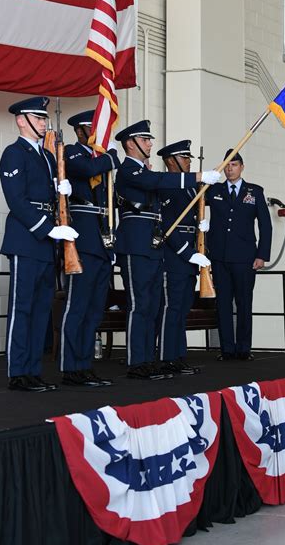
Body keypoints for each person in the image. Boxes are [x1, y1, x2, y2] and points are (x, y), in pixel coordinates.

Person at [114, 120, 221, 380]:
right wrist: (197, 177)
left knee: (151, 306)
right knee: (139, 306)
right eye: (145, 139)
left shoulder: (146, 173)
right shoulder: (128, 170)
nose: (150, 143)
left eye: (150, 139)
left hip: (153, 246)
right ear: (131, 143)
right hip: (135, 245)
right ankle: (136, 362)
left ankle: (149, 359)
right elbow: (156, 181)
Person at [0, 96, 78, 392]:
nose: (44, 123)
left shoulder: (46, 156)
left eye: (44, 118)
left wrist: (62, 191)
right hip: (26, 239)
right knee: (22, 308)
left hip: (46, 241)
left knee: (41, 308)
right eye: (38, 118)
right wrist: (48, 229)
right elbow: (16, 200)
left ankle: (33, 370)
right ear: (22, 120)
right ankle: (18, 372)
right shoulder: (14, 153)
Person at [60, 110, 120, 387]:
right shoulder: (72, 153)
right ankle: (70, 366)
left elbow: (111, 203)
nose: (98, 136)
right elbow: (85, 171)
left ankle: (85, 364)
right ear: (81, 131)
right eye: (93, 129)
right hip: (83, 240)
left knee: (95, 309)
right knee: (77, 307)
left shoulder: (101, 162)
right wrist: (108, 158)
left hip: (102, 240)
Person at [205, 151, 272, 361]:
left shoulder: (254, 192)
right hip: (220, 257)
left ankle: (243, 348)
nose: (229, 169)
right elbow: (196, 202)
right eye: (226, 165)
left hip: (245, 257)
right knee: (223, 304)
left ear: (242, 167)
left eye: (233, 165)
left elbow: (265, 225)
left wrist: (262, 255)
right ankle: (227, 349)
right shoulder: (214, 190)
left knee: (244, 303)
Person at [156, 140, 210, 375]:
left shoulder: (191, 188)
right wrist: (188, 254)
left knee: (183, 307)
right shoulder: (167, 187)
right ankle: (167, 356)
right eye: (184, 157)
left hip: (191, 254)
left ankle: (178, 356)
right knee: (172, 307)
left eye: (189, 157)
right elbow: (168, 226)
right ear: (171, 161)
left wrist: (201, 234)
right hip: (175, 256)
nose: (189, 161)